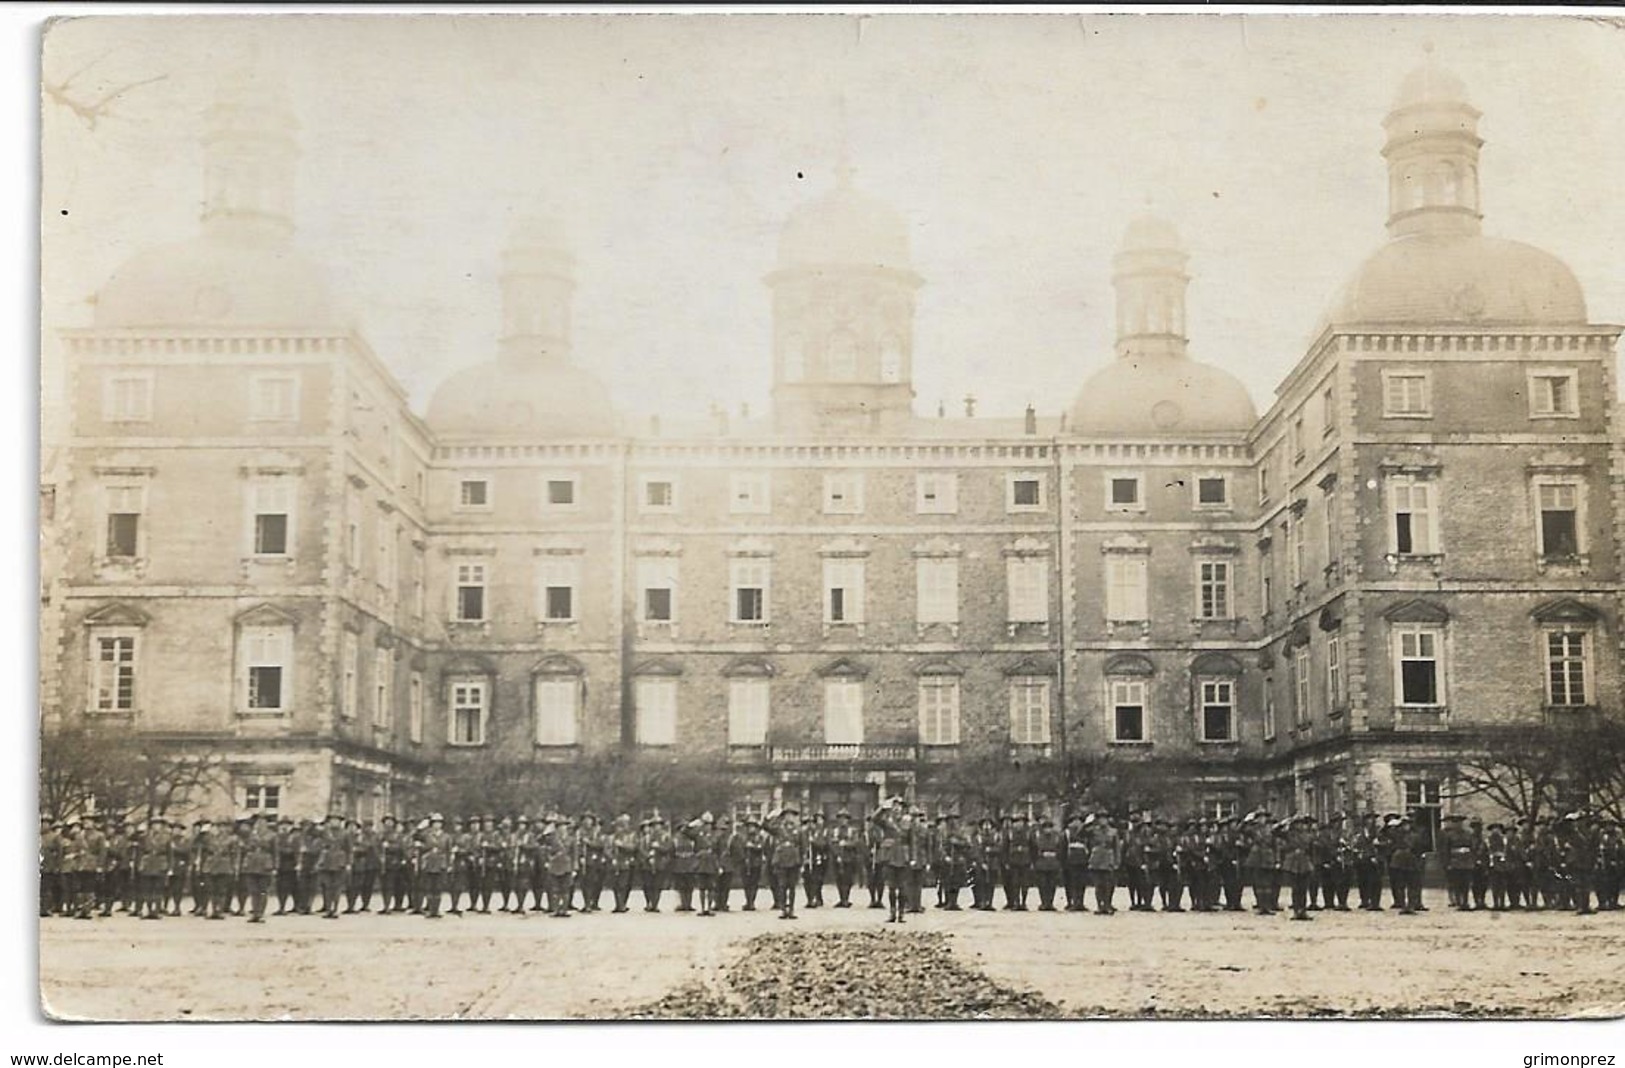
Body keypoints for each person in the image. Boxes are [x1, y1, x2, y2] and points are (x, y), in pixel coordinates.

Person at [770, 807, 808, 920]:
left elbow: (803, 847)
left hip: (794, 861)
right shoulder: (779, 829)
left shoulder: (799, 830)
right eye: (786, 815)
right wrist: (773, 816)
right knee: (782, 886)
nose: (789, 817)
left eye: (791, 815)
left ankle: (791, 909)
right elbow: (766, 826)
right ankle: (783, 909)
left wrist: (802, 862)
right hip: (781, 860)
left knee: (792, 886)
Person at [240, 814, 277, 923]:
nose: (260, 824)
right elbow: (246, 847)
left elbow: (275, 852)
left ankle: (260, 913)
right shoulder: (251, 835)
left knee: (263, 891)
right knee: (253, 890)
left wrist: (275, 866)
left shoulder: (272, 835)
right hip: (251, 864)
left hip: (265, 864)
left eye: (263, 822)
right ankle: (255, 912)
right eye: (258, 822)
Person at [1086, 814, 1121, 915]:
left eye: (1104, 819)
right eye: (1100, 819)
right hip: (1096, 858)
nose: (1102, 821)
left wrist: (1117, 861)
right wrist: (1088, 822)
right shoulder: (1093, 830)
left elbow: (1116, 847)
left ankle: (1107, 905)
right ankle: (1099, 906)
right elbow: (1082, 835)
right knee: (1098, 885)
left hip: (1108, 858)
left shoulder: (1113, 832)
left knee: (1108, 884)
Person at [607, 814, 639, 913]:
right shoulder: (611, 838)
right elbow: (607, 849)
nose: (619, 829)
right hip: (614, 863)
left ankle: (622, 904)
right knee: (615, 885)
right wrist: (612, 857)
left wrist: (622, 845)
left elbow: (633, 847)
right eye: (618, 826)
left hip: (626, 862)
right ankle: (618, 904)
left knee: (624, 884)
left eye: (622, 826)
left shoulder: (631, 836)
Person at [1032, 815, 1064, 911]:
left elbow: (1061, 849)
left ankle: (1050, 903)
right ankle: (1043, 902)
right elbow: (1034, 849)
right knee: (1042, 884)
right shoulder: (1038, 837)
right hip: (1041, 862)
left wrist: (1059, 861)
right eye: (1046, 827)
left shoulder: (1057, 837)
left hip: (1053, 862)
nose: (1048, 830)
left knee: (1052, 884)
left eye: (1049, 827)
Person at [740, 815, 769, 911]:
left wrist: (752, 846)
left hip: (756, 863)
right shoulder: (743, 837)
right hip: (745, 863)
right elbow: (739, 848)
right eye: (749, 826)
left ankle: (752, 902)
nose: (751, 828)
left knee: (754, 883)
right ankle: (748, 901)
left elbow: (761, 847)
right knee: (746, 883)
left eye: (753, 826)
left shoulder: (759, 837)